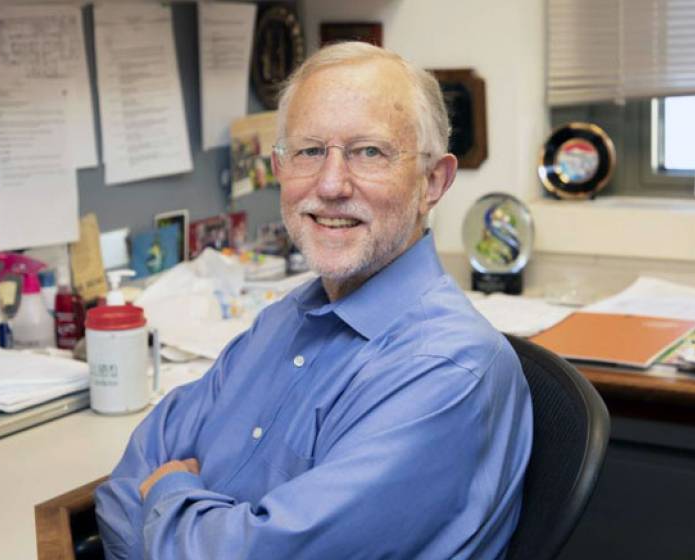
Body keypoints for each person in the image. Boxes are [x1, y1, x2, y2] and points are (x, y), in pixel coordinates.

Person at [95, 41, 532, 559]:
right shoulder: (283, 321)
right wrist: (186, 530)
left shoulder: (446, 370)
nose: (330, 184)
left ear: (432, 182)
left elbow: (177, 506)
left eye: (370, 152)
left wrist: (169, 495)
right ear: (279, 169)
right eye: (307, 151)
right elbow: (127, 481)